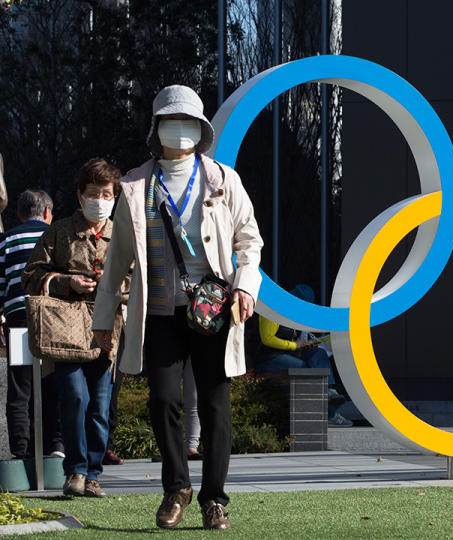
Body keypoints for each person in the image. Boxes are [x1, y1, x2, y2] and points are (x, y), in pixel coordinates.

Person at [92, 85, 263, 530]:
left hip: (214, 309)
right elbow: (118, 261)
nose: (181, 129)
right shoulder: (134, 185)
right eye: (172, 120)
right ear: (157, 128)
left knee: (214, 403)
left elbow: (250, 240)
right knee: (163, 398)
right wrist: (103, 319)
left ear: (202, 129)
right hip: (161, 310)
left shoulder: (224, 179)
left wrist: (245, 287)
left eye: (189, 121)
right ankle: (176, 489)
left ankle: (214, 499)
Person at [22, 159, 124, 498]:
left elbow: (138, 278)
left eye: (106, 194)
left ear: (115, 197)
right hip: (65, 330)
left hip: (107, 329)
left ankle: (93, 474)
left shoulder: (123, 234)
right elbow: (31, 275)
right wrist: (66, 281)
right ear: (80, 196)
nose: (99, 199)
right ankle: (75, 471)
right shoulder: (59, 231)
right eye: (93, 193)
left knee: (99, 404)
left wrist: (112, 285)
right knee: (74, 396)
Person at [3, 189, 60, 461]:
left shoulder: (5, 240)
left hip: (16, 318)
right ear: (47, 212)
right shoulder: (54, 235)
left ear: (19, 214)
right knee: (53, 379)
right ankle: (54, 445)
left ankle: (21, 449)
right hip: (51, 317)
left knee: (19, 383)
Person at [256, 283, 352, 426]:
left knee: (318, 353)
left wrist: (305, 345)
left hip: (290, 355)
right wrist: (295, 345)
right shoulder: (273, 311)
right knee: (304, 368)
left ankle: (329, 390)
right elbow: (267, 338)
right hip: (269, 359)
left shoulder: (293, 316)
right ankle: (327, 410)